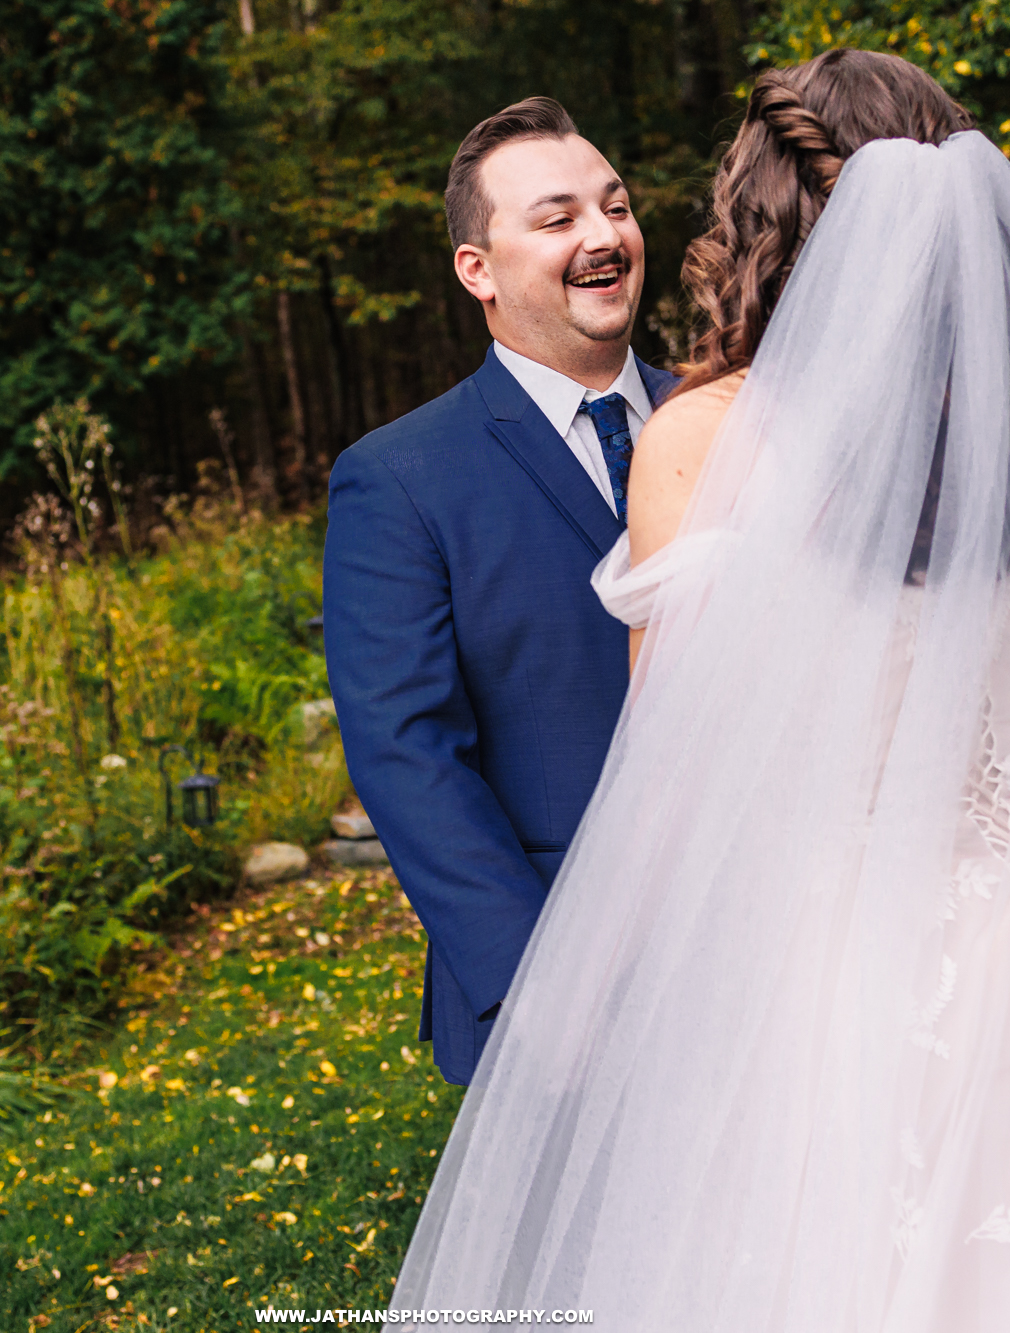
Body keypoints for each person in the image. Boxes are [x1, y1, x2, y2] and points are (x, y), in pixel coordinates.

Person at [382, 50, 1010, 1330]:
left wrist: (595, 1004)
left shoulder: (710, 439)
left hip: (841, 963)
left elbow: (670, 787)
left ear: (770, 223)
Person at [323, 98, 677, 1086]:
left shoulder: (728, 415)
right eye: (557, 218)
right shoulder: (398, 479)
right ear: (474, 269)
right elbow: (407, 757)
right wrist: (545, 992)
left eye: (615, 206)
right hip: (561, 981)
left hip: (777, 947)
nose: (603, 237)